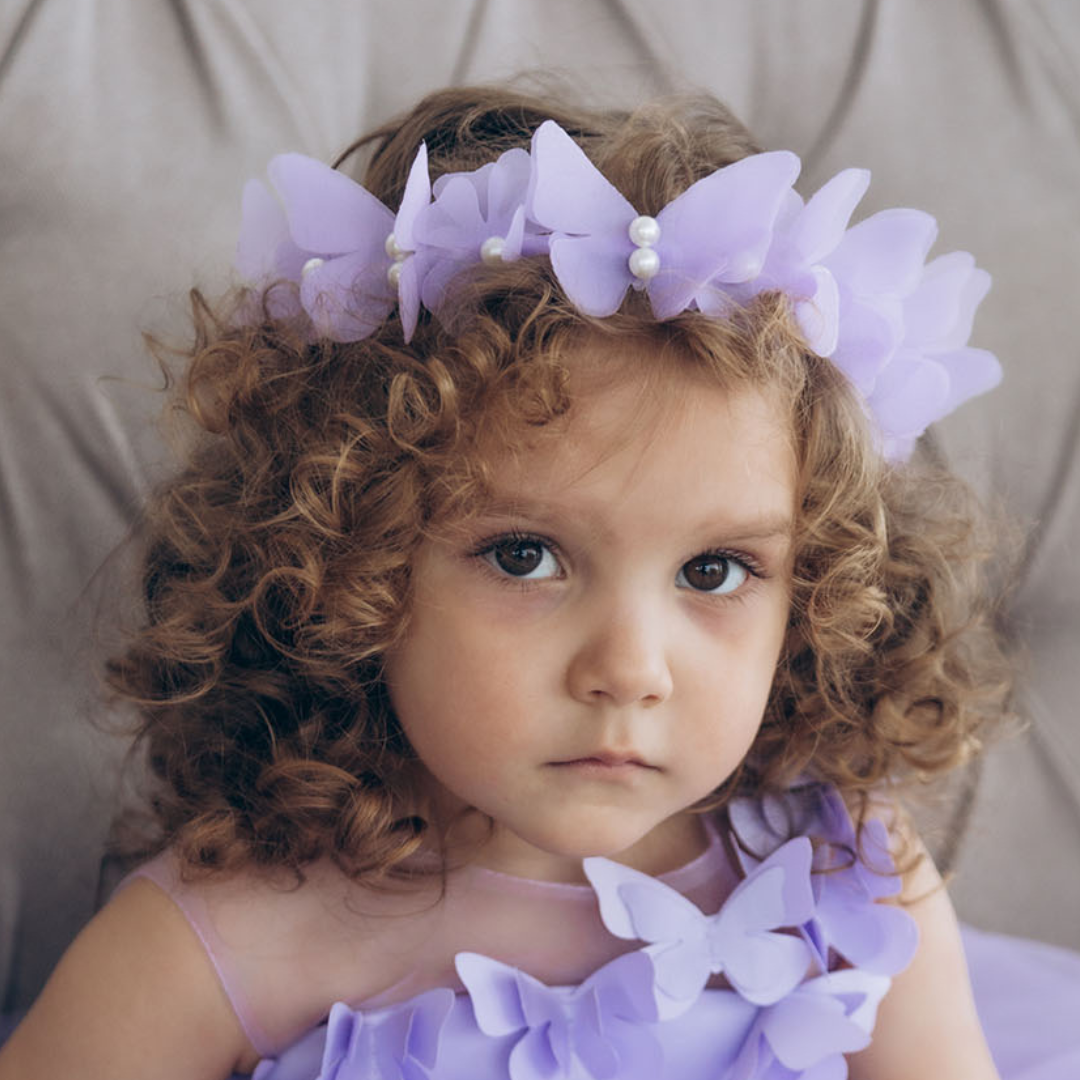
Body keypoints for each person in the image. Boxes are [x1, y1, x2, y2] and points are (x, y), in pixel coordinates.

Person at [1, 84, 1056, 1080]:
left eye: (716, 569)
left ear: (813, 597)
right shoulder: (230, 935)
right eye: (524, 556)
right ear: (346, 568)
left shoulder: (846, 881)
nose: (629, 669)